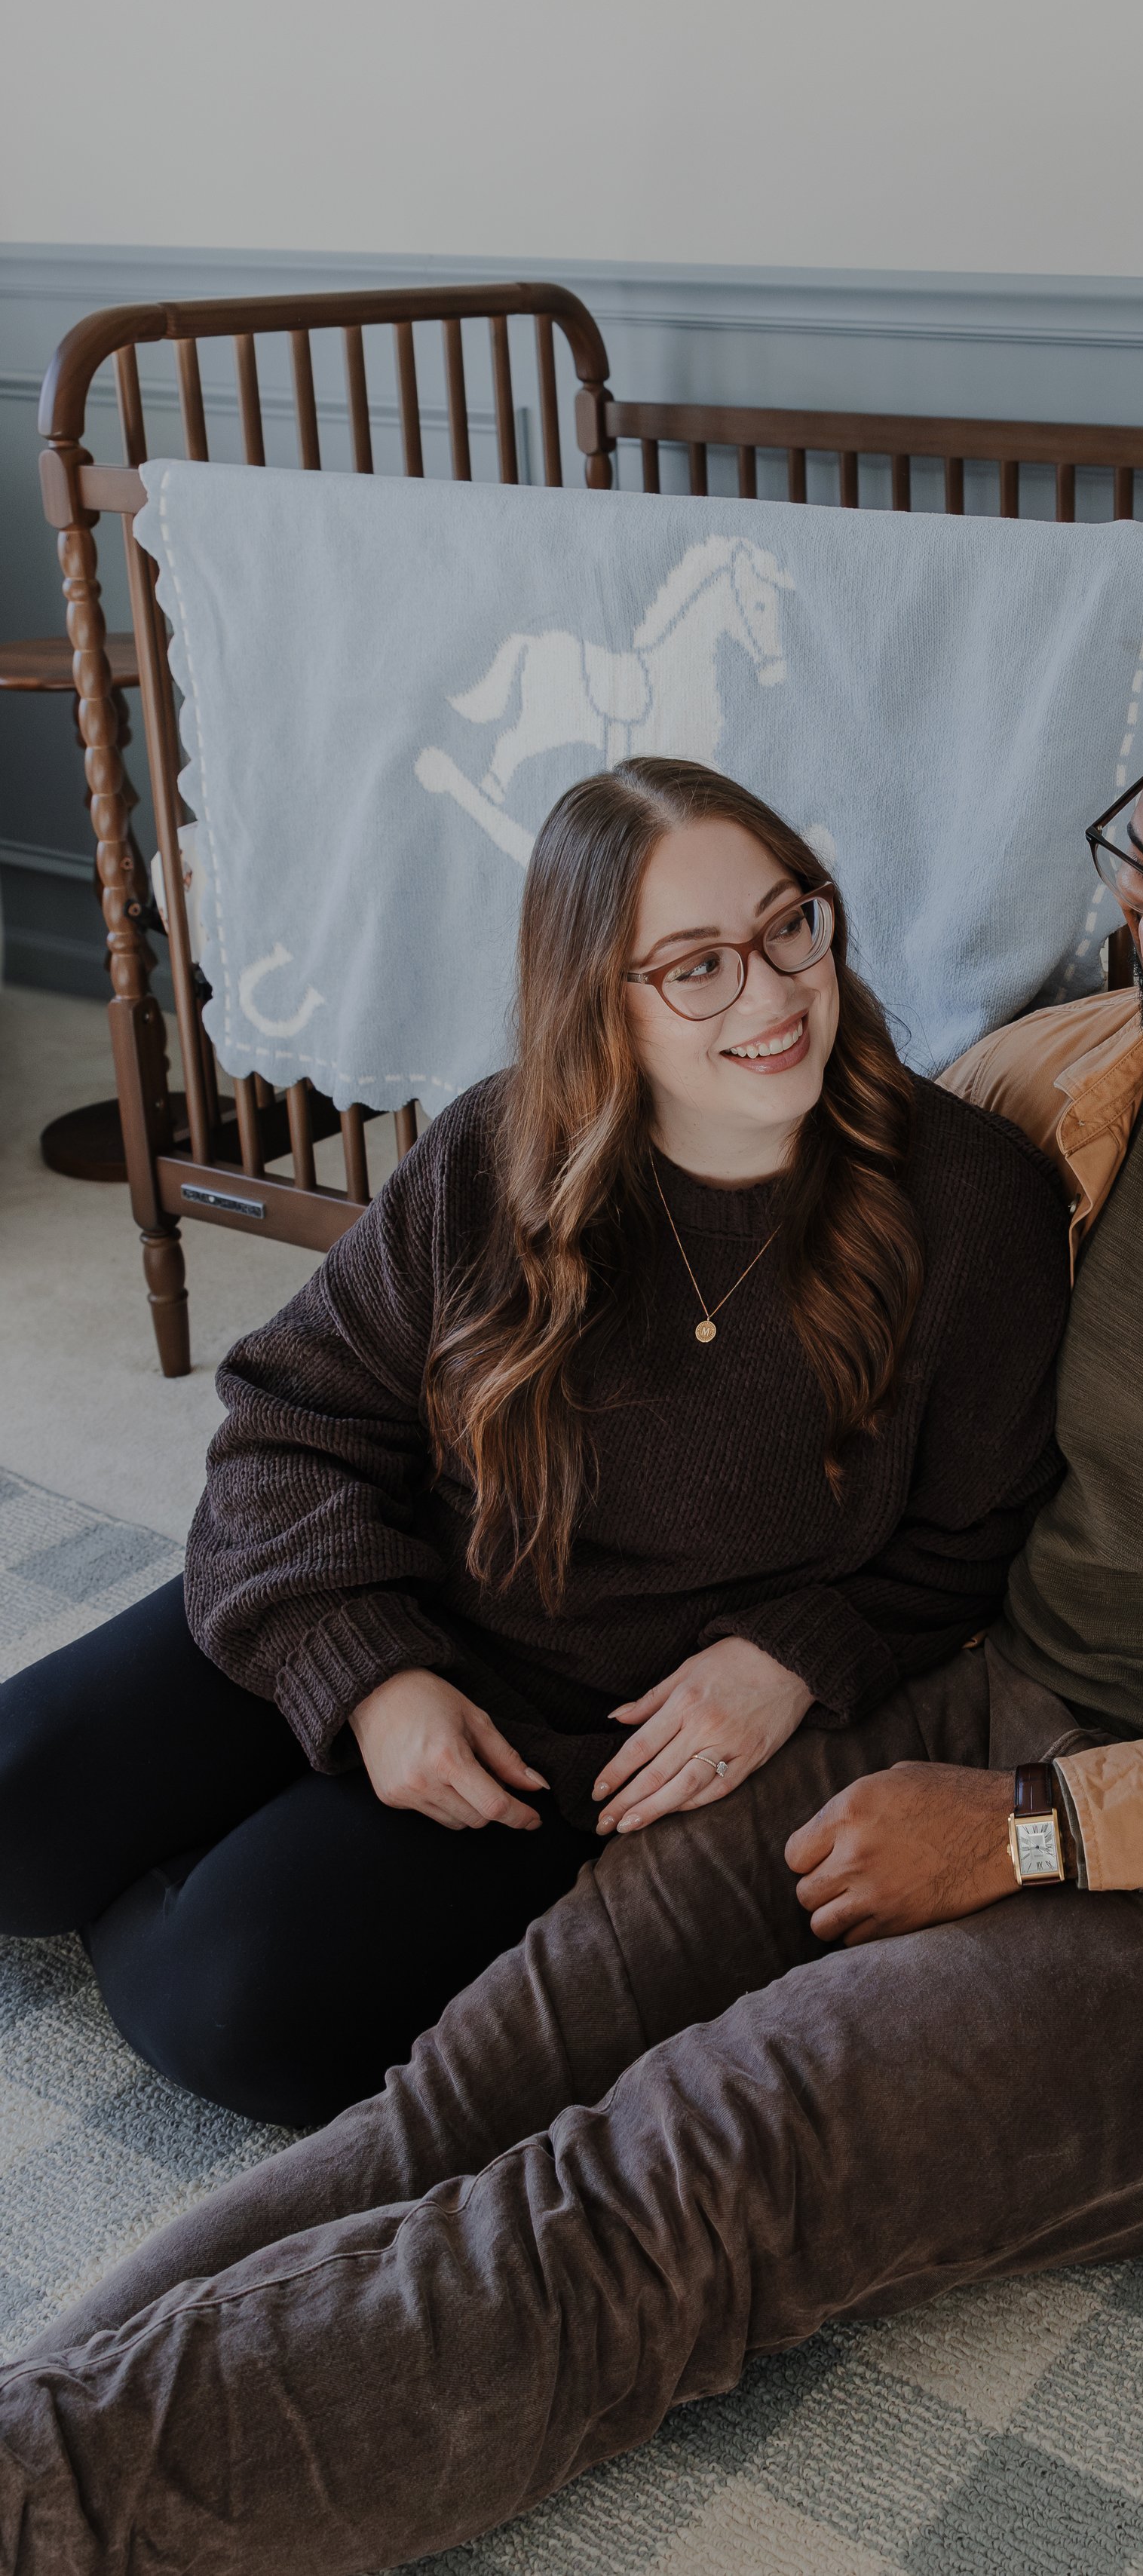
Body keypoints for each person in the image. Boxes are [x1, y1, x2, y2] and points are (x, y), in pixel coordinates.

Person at [0, 619, 1143, 2576]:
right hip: (985, 1715)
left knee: (704, 2157)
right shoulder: (1063, 1091)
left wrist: (1034, 1830)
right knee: (472, 2081)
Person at [0, 758, 1068, 2127]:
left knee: (233, 2014)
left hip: (558, 1747)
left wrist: (797, 1656)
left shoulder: (974, 1205)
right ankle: (250, 1793)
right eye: (695, 966)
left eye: (788, 923)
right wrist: (366, 1677)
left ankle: (232, 1850)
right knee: (16, 1815)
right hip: (380, 1588)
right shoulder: (496, 1147)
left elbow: (978, 1531)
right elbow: (291, 1417)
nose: (774, 992)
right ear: (598, 1003)